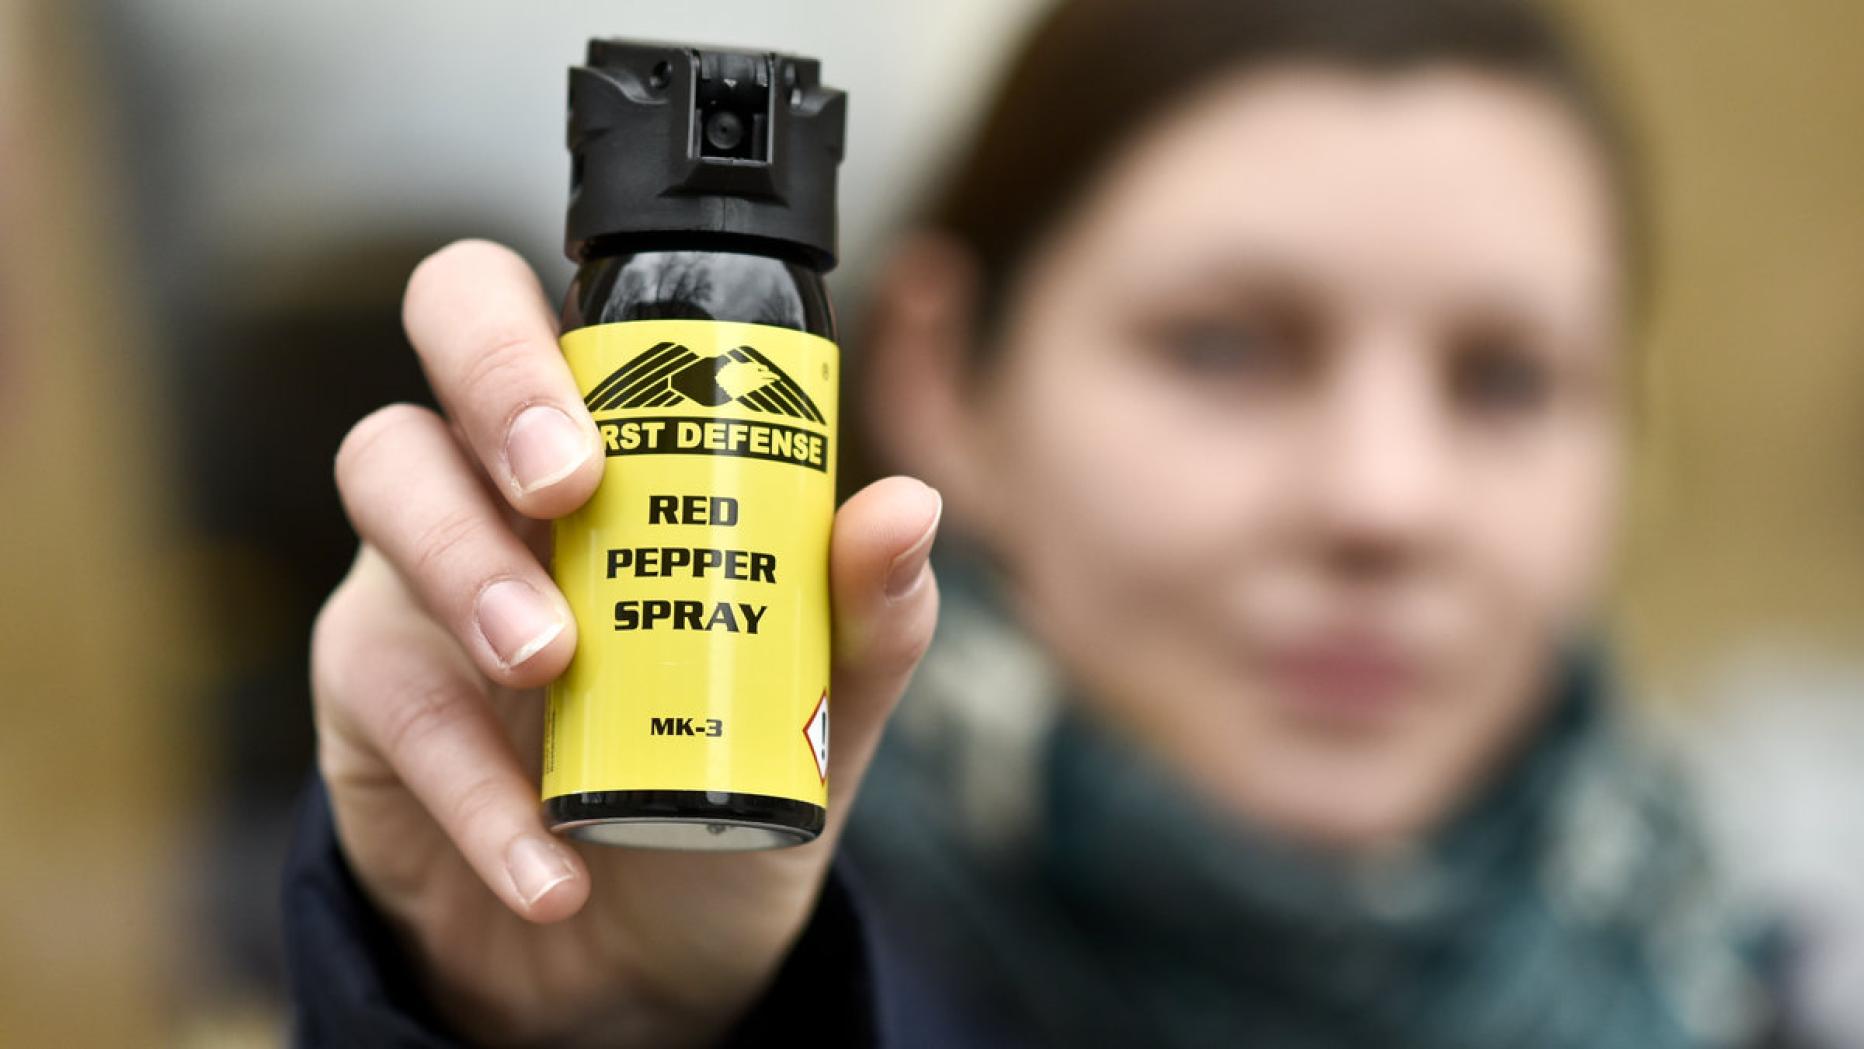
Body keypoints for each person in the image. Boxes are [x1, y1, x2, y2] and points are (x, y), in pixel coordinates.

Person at [286, 0, 1813, 1045]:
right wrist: (595, 1029)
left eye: (1506, 378)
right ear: (946, 376)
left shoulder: (1769, 992)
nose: (1383, 500)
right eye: (1227, 345)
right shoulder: (739, 949)